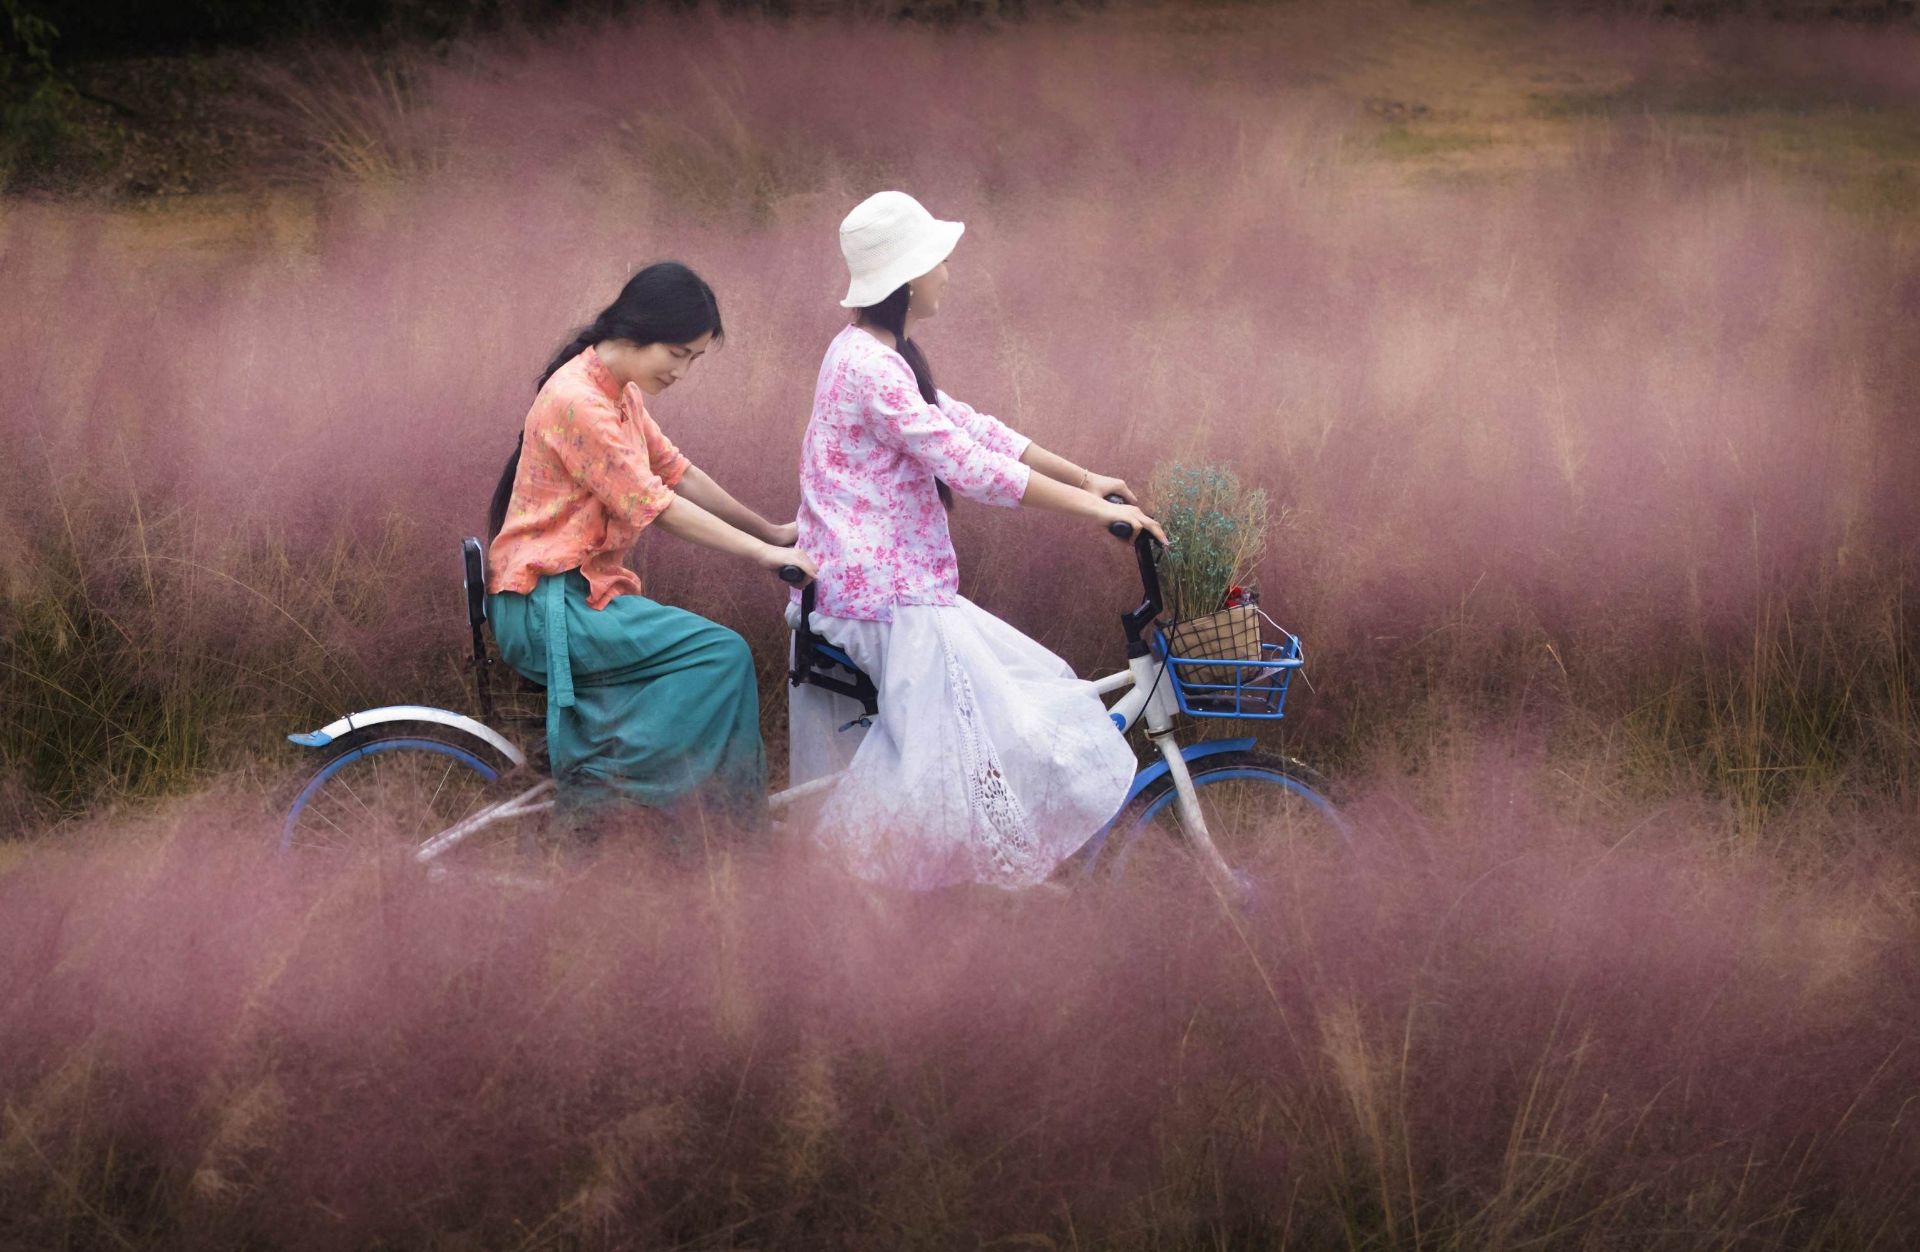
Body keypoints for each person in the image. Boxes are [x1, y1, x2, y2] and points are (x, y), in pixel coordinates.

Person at [790, 191, 1168, 890]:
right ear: (906, 278)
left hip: (894, 591)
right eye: (937, 262)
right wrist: (1092, 511)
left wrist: (1087, 477)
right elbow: (967, 464)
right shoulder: (871, 368)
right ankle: (850, 884)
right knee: (1018, 730)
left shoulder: (878, 353)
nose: (947, 275)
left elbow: (972, 426)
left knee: (989, 739)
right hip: (886, 604)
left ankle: (937, 882)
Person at [485, 261, 814, 832]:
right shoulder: (578, 402)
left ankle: (690, 817)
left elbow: (677, 474)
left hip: (575, 599)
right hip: (547, 608)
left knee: (712, 658)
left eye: (694, 359)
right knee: (720, 656)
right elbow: (654, 504)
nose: (683, 371)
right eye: (678, 353)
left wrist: (771, 531)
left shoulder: (618, 393)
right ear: (638, 329)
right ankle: (617, 793)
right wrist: (766, 556)